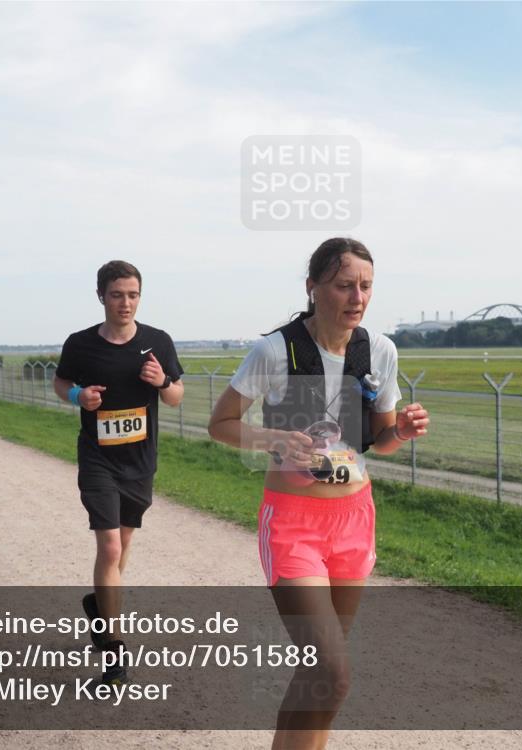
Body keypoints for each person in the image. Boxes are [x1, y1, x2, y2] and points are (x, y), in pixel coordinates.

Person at [207, 237, 429, 749]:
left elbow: (379, 441)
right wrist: (271, 438)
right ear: (313, 288)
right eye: (343, 285)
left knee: (318, 676)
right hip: (293, 524)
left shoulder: (378, 350)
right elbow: (220, 423)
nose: (357, 297)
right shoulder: (276, 351)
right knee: (332, 672)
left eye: (366, 286)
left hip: (354, 520)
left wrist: (404, 431)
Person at [53, 260, 184, 685]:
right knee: (109, 548)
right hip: (98, 458)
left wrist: (163, 381)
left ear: (139, 297)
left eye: (132, 294)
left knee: (122, 546)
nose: (125, 303)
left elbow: (177, 398)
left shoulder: (158, 342)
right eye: (116, 294)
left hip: (140, 462)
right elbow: (60, 382)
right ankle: (113, 652)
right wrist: (79, 395)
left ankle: (99, 605)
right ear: (101, 296)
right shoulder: (80, 344)